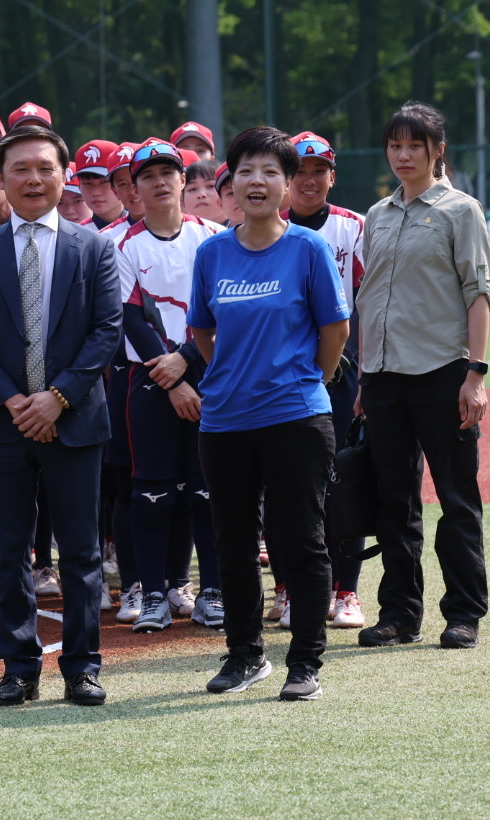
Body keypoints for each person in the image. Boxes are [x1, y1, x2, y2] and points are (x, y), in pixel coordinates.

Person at [0, 123, 122, 707]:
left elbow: (107, 330)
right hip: (3, 425)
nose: (33, 178)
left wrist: (58, 397)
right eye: (19, 168)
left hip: (74, 423)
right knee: (9, 552)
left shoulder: (95, 246)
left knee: (79, 553)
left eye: (44, 167)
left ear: (64, 173)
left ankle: (83, 666)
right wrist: (16, 401)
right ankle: (18, 667)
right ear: (1, 178)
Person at [188, 126, 350, 699]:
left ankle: (305, 662)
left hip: (297, 418)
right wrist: (234, 372)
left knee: (301, 541)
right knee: (232, 543)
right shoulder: (211, 253)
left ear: (287, 186)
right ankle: (244, 656)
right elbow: (202, 331)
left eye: (271, 173)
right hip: (225, 421)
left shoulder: (308, 249)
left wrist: (313, 379)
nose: (258, 182)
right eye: (247, 171)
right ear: (230, 182)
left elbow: (335, 329)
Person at [355, 101, 490, 651]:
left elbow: (479, 294)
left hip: (443, 373)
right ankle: (399, 614)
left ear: (438, 150)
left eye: (415, 145)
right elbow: (369, 300)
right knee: (393, 500)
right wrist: (365, 378)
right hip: (384, 378)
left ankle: (463, 613)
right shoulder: (376, 215)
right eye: (395, 145)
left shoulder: (463, 211)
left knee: (456, 499)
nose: (403, 155)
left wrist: (475, 374)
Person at [115, 140, 224, 634]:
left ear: (184, 180)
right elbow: (129, 316)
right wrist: (173, 375)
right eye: (148, 175)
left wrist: (186, 361)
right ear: (134, 188)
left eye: (168, 172)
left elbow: (224, 309)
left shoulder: (216, 238)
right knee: (151, 493)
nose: (159, 182)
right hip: (150, 381)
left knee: (210, 491)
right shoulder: (120, 246)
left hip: (212, 375)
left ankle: (213, 592)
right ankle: (155, 594)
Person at [282, 131, 368, 630]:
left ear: (332, 177)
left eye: (319, 170)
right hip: (285, 373)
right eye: (300, 171)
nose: (309, 180)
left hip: (342, 372)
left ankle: (347, 589)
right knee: (288, 482)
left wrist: (349, 363)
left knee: (342, 480)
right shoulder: (266, 227)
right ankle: (292, 588)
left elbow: (368, 299)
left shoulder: (352, 227)